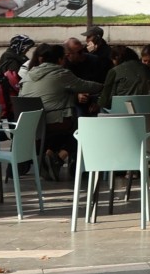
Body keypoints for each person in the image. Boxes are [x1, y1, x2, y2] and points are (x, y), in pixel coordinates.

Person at [19, 43, 103, 179]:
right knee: (83, 129)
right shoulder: (61, 73)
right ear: (59, 60)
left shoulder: (29, 74)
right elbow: (86, 85)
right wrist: (105, 86)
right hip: (53, 122)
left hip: (30, 125)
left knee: (63, 128)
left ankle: (51, 155)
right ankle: (58, 158)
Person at [101, 45, 150, 110]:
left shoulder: (114, 71)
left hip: (123, 112)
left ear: (116, 58)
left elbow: (104, 101)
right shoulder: (149, 69)